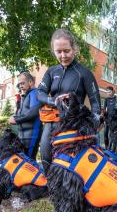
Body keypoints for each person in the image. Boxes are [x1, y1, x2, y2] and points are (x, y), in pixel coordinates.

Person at [36, 28, 101, 174]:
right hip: (53, 121)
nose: (63, 55)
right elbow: (39, 94)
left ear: (75, 49)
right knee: (46, 154)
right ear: (54, 51)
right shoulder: (51, 72)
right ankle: (51, 186)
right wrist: (54, 101)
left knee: (72, 160)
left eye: (67, 50)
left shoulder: (84, 73)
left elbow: (95, 103)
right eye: (58, 52)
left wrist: (95, 123)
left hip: (75, 123)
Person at [9, 72, 42, 161]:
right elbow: (22, 112)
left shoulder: (35, 93)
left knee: (30, 161)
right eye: (19, 84)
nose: (20, 86)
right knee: (25, 161)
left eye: (22, 83)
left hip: (32, 135)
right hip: (23, 134)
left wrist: (16, 119)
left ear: (31, 82)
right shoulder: (26, 95)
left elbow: (33, 112)